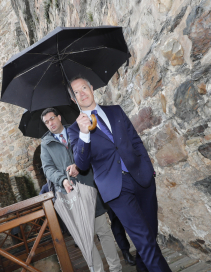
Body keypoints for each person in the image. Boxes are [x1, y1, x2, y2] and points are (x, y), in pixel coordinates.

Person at [67, 77, 171, 272]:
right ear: (73, 100)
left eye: (84, 88)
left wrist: (148, 169)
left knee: (150, 234)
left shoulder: (115, 111)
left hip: (142, 179)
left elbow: (135, 140)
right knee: (144, 239)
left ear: (91, 87)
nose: (82, 93)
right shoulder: (74, 130)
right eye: (76, 93)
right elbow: (82, 164)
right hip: (116, 189)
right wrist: (84, 134)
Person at [40, 107, 122, 272]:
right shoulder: (46, 144)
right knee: (85, 238)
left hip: (89, 188)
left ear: (59, 117)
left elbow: (92, 152)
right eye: (47, 122)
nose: (50, 123)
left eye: (52, 119)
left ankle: (116, 268)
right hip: (69, 196)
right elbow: (48, 169)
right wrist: (62, 180)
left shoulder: (76, 130)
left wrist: (79, 165)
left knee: (103, 231)